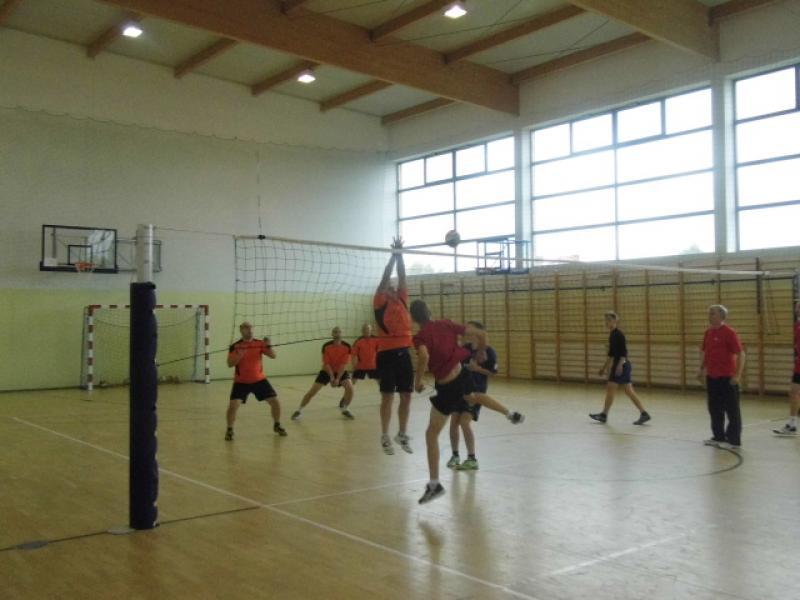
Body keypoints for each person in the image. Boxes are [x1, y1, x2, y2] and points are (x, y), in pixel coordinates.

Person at [411, 300, 524, 504]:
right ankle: (510, 414)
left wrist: (417, 381)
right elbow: (481, 333)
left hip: (447, 386)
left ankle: (434, 485)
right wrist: (482, 350)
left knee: (431, 434)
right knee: (473, 395)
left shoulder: (420, 336)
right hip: (461, 374)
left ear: (413, 318)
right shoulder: (445, 324)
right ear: (430, 311)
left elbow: (424, 356)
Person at [374, 238, 413, 455]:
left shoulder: (402, 299)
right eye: (390, 287)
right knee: (388, 396)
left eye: (394, 287)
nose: (393, 288)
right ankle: (384, 435)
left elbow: (403, 276)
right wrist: (392, 257)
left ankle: (402, 433)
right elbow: (385, 278)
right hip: (386, 355)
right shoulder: (380, 302)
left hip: (404, 353)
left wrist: (400, 255)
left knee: (406, 395)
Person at [446, 321, 498, 471]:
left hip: (476, 393)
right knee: (454, 422)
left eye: (470, 328)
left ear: (479, 332)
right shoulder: (465, 348)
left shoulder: (489, 351)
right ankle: (455, 455)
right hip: (460, 390)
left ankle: (472, 458)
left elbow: (493, 373)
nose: (467, 330)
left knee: (464, 422)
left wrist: (477, 369)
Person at [226, 321, 287, 440]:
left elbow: (273, 356)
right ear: (241, 330)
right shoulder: (235, 346)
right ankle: (229, 430)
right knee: (233, 406)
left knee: (275, 402)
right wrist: (239, 356)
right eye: (246, 328)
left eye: (251, 327)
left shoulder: (259, 343)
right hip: (241, 382)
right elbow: (229, 364)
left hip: (259, 380)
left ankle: (277, 425)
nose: (249, 330)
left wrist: (268, 345)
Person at [697, 305, 746, 450]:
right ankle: (718, 436)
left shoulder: (729, 332)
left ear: (721, 316)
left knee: (732, 410)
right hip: (712, 377)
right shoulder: (708, 332)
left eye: (712, 313)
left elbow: (741, 354)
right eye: (709, 313)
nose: (709, 316)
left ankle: (734, 440)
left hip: (727, 377)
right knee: (714, 408)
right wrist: (701, 369)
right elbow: (707, 353)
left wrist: (737, 375)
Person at [589, 312, 651, 425]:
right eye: (605, 320)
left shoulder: (619, 335)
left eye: (609, 320)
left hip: (622, 365)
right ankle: (644, 414)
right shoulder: (612, 335)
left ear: (615, 321)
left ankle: (604, 415)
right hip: (621, 365)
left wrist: (619, 365)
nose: (606, 322)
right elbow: (611, 355)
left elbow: (624, 352)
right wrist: (604, 368)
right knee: (628, 391)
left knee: (611, 388)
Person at [291, 327, 355, 421]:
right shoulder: (326, 346)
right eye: (335, 332)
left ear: (342, 334)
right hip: (326, 371)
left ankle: (344, 409)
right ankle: (299, 410)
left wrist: (337, 378)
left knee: (350, 388)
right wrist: (332, 377)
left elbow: (343, 364)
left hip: (340, 371)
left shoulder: (347, 347)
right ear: (332, 334)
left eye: (339, 332)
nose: (337, 334)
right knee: (312, 391)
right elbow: (326, 363)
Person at [774, 299, 800, 436]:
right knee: (794, 393)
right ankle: (792, 424)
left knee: (794, 392)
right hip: (799, 365)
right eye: (796, 307)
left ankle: (792, 424)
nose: (797, 309)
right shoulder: (797, 325)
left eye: (799, 307)